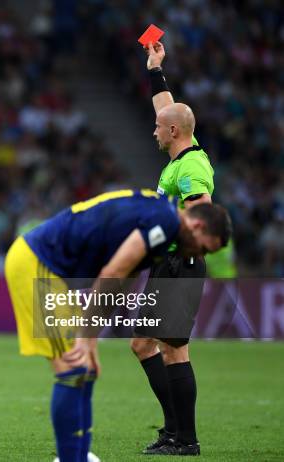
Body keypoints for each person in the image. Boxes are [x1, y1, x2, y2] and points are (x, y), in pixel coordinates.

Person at [5, 189, 231, 462]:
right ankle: (70, 459)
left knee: (84, 369)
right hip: (38, 263)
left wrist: (90, 339)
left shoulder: (164, 222)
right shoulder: (165, 222)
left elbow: (122, 282)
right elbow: (111, 274)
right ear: (198, 225)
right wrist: (86, 338)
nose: (200, 253)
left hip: (55, 271)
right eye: (204, 247)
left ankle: (78, 455)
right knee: (71, 367)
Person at [129, 41, 217, 456]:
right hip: (167, 264)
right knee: (143, 343)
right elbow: (167, 109)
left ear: (174, 133)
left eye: (159, 128)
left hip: (182, 265)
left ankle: (187, 439)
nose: (154, 130)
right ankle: (173, 429)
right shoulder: (181, 151)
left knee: (174, 350)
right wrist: (154, 69)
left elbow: (202, 217)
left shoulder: (192, 167)